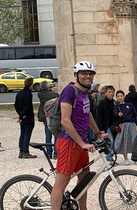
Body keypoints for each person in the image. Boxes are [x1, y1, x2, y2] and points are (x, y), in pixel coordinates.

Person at [50, 61, 109, 210]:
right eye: (84, 73)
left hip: (82, 141)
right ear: (76, 75)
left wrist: (98, 133)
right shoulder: (70, 91)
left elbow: (87, 113)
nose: (87, 76)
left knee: (84, 182)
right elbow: (65, 120)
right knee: (61, 183)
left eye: (90, 74)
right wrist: (82, 143)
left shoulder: (85, 93)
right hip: (69, 141)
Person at [113, 90, 137, 165]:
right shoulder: (116, 106)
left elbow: (134, 113)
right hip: (122, 124)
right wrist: (118, 114)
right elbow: (114, 114)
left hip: (131, 124)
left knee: (134, 140)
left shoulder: (129, 104)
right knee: (124, 141)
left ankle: (135, 157)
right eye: (118, 96)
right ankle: (125, 158)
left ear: (124, 96)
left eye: (121, 96)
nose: (120, 97)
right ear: (116, 97)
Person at [14, 77, 36, 159]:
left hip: (22, 116)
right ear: (31, 85)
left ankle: (21, 151)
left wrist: (20, 114)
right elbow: (28, 107)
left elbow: (16, 105)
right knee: (27, 134)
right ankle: (25, 151)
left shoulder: (19, 93)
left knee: (22, 134)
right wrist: (23, 114)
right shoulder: (28, 94)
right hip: (28, 116)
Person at [37, 81, 59, 159]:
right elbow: (56, 97)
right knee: (56, 134)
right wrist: (51, 90)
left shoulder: (40, 94)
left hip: (44, 115)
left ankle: (49, 153)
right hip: (53, 115)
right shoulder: (53, 94)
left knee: (48, 135)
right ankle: (56, 153)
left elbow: (43, 92)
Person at [95, 85, 117, 162]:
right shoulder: (102, 103)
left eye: (112, 92)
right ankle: (109, 158)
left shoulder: (114, 103)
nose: (111, 93)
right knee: (110, 141)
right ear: (105, 93)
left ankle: (111, 157)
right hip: (106, 126)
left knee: (113, 142)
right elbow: (99, 117)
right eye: (109, 92)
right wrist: (101, 129)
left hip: (113, 125)